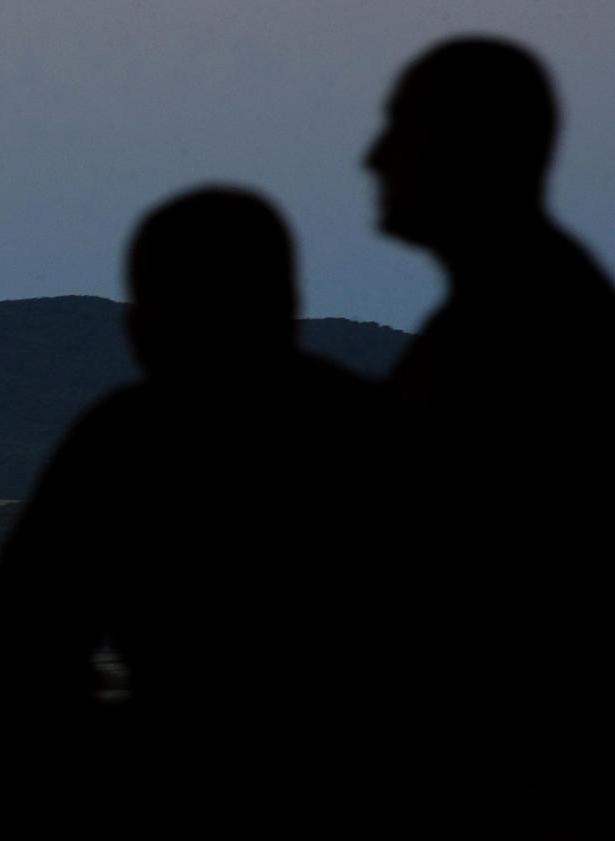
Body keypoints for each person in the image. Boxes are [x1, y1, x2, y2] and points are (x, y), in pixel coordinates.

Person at [0, 187, 414, 839]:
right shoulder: (380, 431)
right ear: (287, 306)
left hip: (178, 771)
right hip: (389, 773)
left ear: (144, 327)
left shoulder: (129, 439)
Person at [365, 37, 614, 837]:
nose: (374, 158)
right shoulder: (528, 311)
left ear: (466, 148)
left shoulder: (519, 332)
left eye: (400, 128)